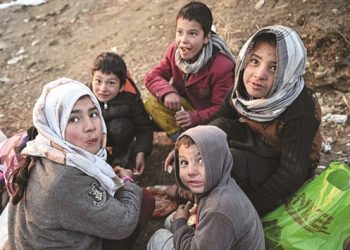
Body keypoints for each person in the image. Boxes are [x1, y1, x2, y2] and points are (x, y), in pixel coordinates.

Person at [7, 78, 154, 250]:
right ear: (55, 126)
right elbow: (124, 223)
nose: (90, 126)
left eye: (93, 114)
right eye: (74, 119)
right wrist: (127, 182)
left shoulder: (44, 150)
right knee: (145, 199)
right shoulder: (66, 178)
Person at [208, 25, 323, 216]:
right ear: (245, 59)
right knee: (215, 131)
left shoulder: (300, 107)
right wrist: (189, 143)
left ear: (288, 72)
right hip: (261, 143)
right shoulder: (242, 89)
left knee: (231, 160)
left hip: (289, 163)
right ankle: (200, 193)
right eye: (255, 61)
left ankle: (223, 203)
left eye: (274, 67)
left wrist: (249, 206)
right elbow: (220, 118)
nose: (259, 74)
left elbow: (292, 173)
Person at [148, 125, 265, 250]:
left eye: (200, 160)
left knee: (158, 238)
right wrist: (181, 193)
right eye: (184, 162)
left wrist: (180, 223)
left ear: (217, 159)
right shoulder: (224, 182)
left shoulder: (218, 211)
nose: (191, 171)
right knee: (169, 221)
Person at [144, 1, 235, 141]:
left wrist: (194, 117)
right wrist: (167, 92)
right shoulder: (174, 51)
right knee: (152, 103)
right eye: (180, 32)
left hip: (209, 118)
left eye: (192, 34)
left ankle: (197, 143)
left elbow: (223, 109)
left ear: (206, 38)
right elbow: (152, 76)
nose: (183, 41)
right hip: (186, 109)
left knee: (218, 129)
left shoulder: (222, 66)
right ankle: (180, 139)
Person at [90, 52, 153, 176]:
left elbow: (144, 127)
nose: (103, 89)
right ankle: (102, 159)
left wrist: (141, 151)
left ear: (122, 86)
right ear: (92, 79)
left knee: (121, 126)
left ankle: (121, 154)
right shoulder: (84, 96)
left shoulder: (130, 99)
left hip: (118, 134)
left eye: (111, 83)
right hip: (95, 136)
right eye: (98, 81)